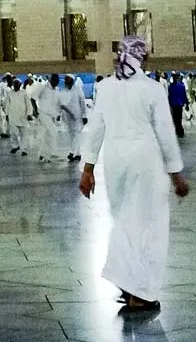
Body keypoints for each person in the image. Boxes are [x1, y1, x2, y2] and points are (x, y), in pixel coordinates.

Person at [78, 36, 189, 313]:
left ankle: (128, 285)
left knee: (125, 222)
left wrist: (88, 170)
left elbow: (95, 129)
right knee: (150, 226)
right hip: (145, 161)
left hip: (115, 161)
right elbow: (165, 132)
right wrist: (176, 174)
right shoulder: (151, 89)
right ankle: (141, 294)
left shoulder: (104, 88)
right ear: (143, 59)